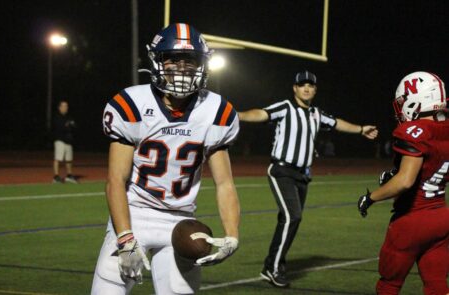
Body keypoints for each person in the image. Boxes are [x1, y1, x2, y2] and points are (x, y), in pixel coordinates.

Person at [91, 23, 240, 295]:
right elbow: (115, 179)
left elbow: (225, 183)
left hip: (180, 221)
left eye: (190, 60)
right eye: (172, 58)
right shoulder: (131, 104)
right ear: (157, 61)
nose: (181, 67)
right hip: (133, 216)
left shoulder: (216, 111)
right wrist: (125, 238)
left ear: (202, 64)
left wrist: (232, 235)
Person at [238, 70, 378, 288]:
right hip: (282, 170)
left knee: (292, 220)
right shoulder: (285, 107)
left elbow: (337, 123)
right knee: (292, 216)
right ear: (294, 88)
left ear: (315, 89)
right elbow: (261, 114)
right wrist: (236, 115)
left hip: (302, 175)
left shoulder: (316, 113)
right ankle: (271, 268)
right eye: (302, 85)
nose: (306, 88)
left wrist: (361, 129)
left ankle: (273, 264)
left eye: (310, 85)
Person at [357, 71, 449, 295]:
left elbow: (406, 181)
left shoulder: (414, 131)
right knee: (436, 283)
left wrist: (370, 198)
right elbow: (429, 169)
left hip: (411, 221)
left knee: (389, 284)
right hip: (441, 217)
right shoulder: (445, 130)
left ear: (418, 100)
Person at [52, 100, 78, 183]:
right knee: (58, 158)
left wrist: (70, 125)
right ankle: (56, 177)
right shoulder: (57, 117)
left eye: (66, 106)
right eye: (63, 106)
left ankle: (69, 175)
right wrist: (67, 125)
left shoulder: (69, 117)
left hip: (68, 141)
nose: (65, 107)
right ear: (59, 107)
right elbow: (60, 127)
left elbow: (74, 126)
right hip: (60, 140)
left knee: (69, 159)